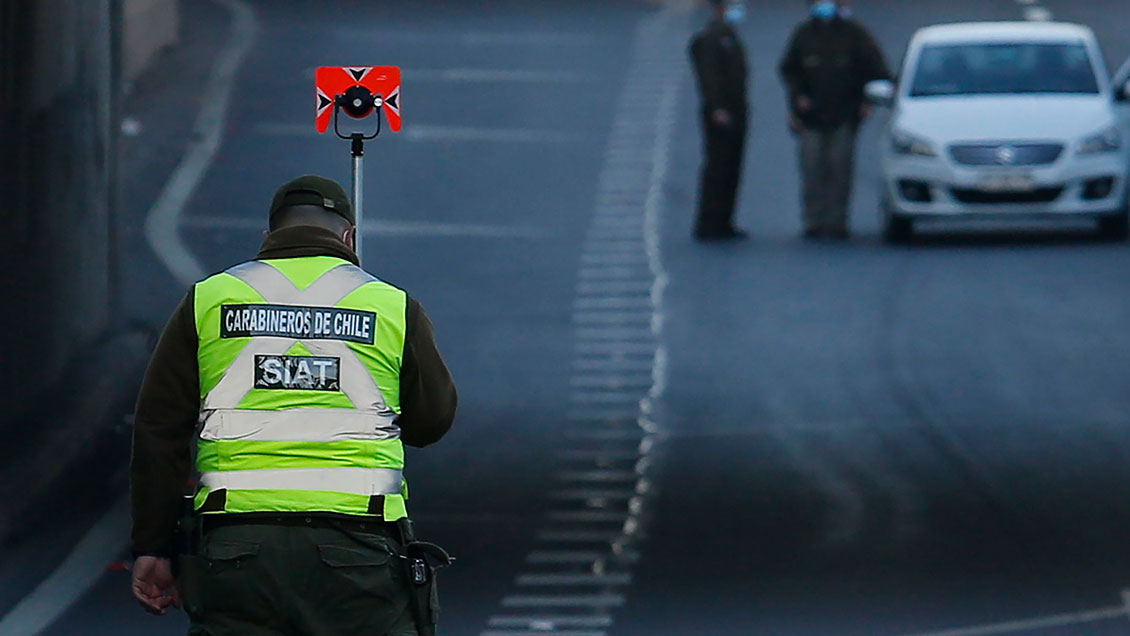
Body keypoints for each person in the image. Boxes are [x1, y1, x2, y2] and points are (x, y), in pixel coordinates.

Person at [130, 175, 458, 635]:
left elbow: (157, 429)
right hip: (359, 549)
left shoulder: (209, 300)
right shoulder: (392, 306)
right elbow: (432, 422)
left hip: (236, 550)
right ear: (349, 238)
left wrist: (153, 546)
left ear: (268, 238)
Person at [779, 0, 890, 239]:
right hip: (810, 118)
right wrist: (797, 98)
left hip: (844, 116)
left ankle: (837, 221)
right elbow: (789, 69)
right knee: (812, 170)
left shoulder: (855, 34)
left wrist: (867, 101)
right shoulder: (803, 35)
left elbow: (877, 70)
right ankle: (813, 221)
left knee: (839, 169)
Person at [689, 0, 750, 241]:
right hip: (722, 110)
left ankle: (724, 220)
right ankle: (710, 222)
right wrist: (715, 106)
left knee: (732, 168)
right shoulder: (711, 38)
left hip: (736, 108)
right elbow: (709, 77)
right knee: (718, 167)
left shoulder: (730, 36)